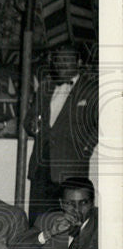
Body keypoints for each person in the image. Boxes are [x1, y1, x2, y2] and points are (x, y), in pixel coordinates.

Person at [26, 45, 99, 223]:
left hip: (71, 168)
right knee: (38, 221)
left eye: (67, 60)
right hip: (41, 168)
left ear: (79, 62)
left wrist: (86, 148)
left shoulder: (91, 89)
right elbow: (29, 119)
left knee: (69, 222)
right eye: (58, 60)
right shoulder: (44, 87)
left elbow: (102, 123)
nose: (61, 64)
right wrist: (32, 124)